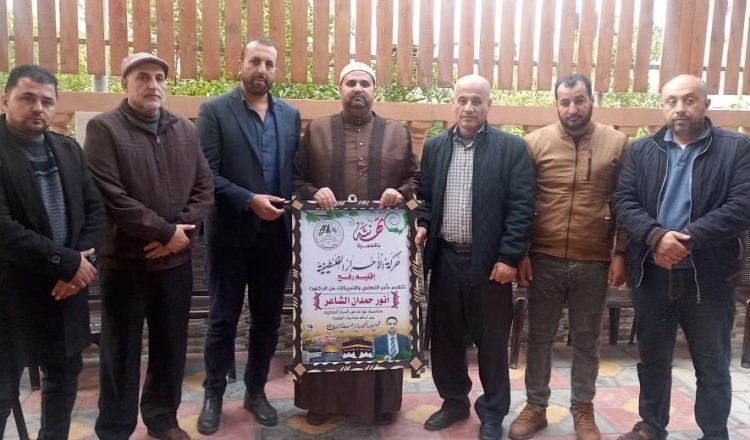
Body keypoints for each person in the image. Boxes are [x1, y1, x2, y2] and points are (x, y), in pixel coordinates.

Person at [85, 52, 214, 440]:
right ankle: (115, 428)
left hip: (174, 264)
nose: (153, 85)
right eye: (142, 77)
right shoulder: (104, 129)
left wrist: (179, 236)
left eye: (159, 78)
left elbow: (205, 188)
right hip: (126, 263)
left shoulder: (185, 129)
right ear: (125, 83)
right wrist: (164, 233)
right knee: (120, 352)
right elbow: (112, 195)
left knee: (170, 347)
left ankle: (162, 419)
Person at [613, 74, 750, 440]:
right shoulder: (642, 150)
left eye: (689, 100)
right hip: (652, 274)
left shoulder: (736, 149)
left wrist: (688, 239)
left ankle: (715, 433)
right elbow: (624, 202)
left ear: (705, 104)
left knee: (712, 365)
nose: (679, 108)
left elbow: (742, 206)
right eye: (671, 101)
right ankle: (651, 427)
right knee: (653, 361)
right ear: (662, 106)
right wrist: (656, 236)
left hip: (708, 278)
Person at [292, 61, 419, 426]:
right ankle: (322, 402)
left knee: (377, 320)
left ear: (374, 90)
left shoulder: (397, 132)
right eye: (351, 83)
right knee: (328, 321)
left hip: (379, 258)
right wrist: (315, 191)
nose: (358, 88)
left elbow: (417, 179)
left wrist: (400, 192)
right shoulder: (316, 131)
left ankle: (380, 403)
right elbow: (295, 178)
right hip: (328, 255)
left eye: (365, 82)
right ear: (340, 89)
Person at [415, 74, 536, 440]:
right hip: (446, 259)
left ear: (488, 105)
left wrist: (509, 257)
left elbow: (522, 207)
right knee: (446, 337)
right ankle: (454, 402)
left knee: (492, 342)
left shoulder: (511, 148)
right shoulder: (435, 147)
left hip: (491, 266)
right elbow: (426, 199)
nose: (469, 107)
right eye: (463, 100)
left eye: (477, 101)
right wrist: (422, 224)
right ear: (453, 103)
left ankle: (493, 412)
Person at [509, 74, 628, 440]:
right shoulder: (535, 143)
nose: (572, 108)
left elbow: (625, 202)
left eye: (579, 100)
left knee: (587, 340)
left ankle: (583, 409)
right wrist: (522, 253)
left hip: (594, 259)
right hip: (543, 258)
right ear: (556, 105)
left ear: (592, 101)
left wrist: (621, 252)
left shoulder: (617, 143)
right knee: (539, 337)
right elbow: (521, 201)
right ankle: (535, 406)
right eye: (565, 102)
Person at [196, 38, 301, 435]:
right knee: (222, 320)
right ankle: (213, 394)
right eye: (255, 61)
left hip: (276, 237)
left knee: (267, 321)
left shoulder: (290, 115)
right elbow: (206, 174)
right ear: (239, 65)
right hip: (229, 235)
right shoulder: (214, 111)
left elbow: (295, 172)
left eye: (269, 63)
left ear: (276, 70)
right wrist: (248, 200)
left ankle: (256, 391)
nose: (262, 69)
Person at [0, 64, 105, 440]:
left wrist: (80, 265)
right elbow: (4, 228)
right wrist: (66, 263)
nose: (37, 108)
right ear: (5, 99)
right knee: (3, 390)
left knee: (63, 378)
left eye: (46, 101)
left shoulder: (68, 149)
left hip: (66, 292)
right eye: (27, 98)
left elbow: (96, 211)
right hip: (10, 294)